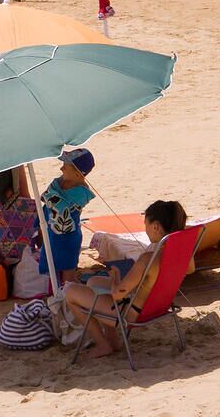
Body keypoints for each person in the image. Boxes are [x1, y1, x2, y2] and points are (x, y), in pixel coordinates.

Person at [61, 200, 187, 359]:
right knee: (94, 282)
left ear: (155, 227)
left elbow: (116, 295)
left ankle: (102, 344)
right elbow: (190, 268)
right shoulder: (179, 256)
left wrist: (115, 278)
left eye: (146, 225)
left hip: (131, 314)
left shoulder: (147, 260)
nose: (145, 229)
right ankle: (113, 340)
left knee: (70, 292)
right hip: (156, 307)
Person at [39, 148, 96, 290]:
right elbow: (48, 197)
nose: (61, 168)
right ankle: (57, 292)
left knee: (68, 271)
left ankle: (69, 297)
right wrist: (51, 196)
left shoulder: (82, 192)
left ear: (78, 173)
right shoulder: (60, 182)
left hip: (68, 235)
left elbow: (58, 205)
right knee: (52, 264)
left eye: (66, 166)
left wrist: (51, 196)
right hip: (53, 232)